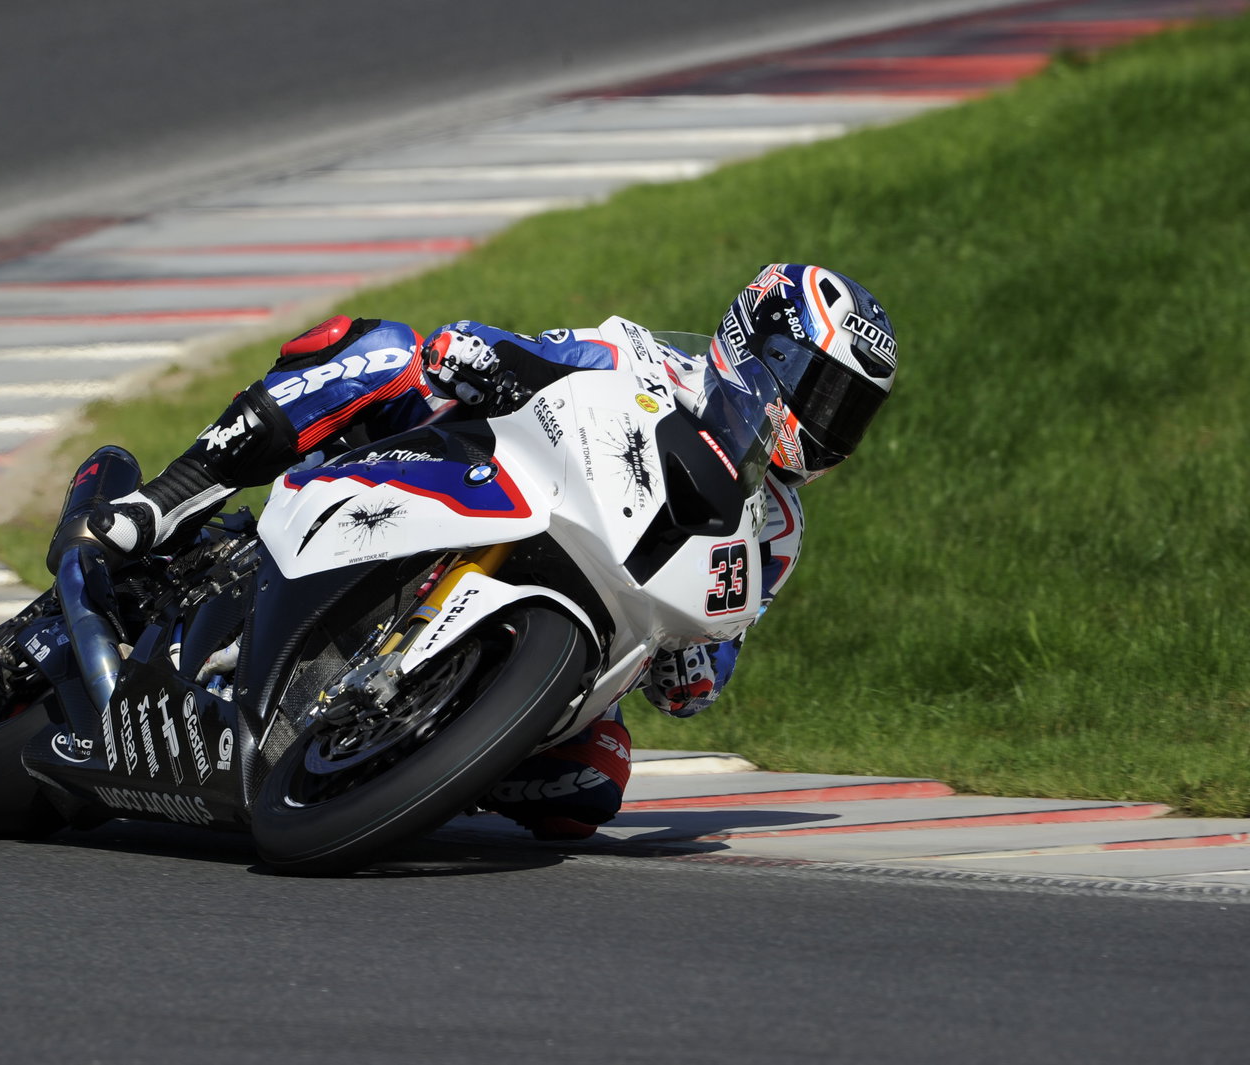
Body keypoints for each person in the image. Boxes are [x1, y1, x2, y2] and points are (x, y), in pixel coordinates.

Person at [88, 263, 898, 840]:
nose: (830, 426)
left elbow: (703, 678)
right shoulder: (640, 357)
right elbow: (524, 353)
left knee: (590, 787)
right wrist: (485, 357)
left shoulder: (775, 532)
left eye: (851, 412)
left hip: (597, 618)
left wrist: (693, 664)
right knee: (379, 350)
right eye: (824, 393)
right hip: (476, 484)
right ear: (763, 346)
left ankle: (411, 758)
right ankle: (171, 495)